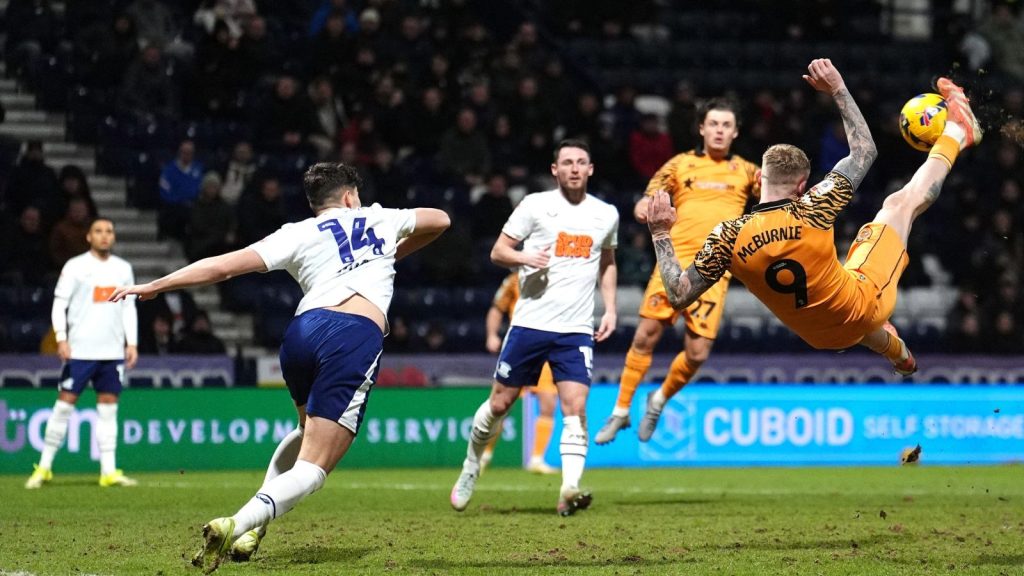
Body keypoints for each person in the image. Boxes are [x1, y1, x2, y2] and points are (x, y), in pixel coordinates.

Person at [109, 163, 449, 572]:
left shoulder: (296, 232)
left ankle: (256, 529)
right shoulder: (380, 217)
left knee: (307, 432)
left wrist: (155, 286)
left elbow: (223, 266)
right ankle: (236, 523)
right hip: (352, 334)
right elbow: (440, 220)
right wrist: (388, 251)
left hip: (302, 332)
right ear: (348, 197)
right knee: (315, 466)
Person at [646, 61, 982, 425]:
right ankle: (958, 132)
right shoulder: (814, 207)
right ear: (803, 185)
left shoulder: (727, 236)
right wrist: (838, 88)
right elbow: (864, 151)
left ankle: (898, 353)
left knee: (844, 286)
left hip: (818, 336)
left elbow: (678, 294)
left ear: (761, 181)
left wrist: (661, 234)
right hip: (860, 305)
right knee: (901, 204)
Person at [450, 139, 619, 517]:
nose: (574, 168)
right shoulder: (534, 206)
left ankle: (569, 489)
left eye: (581, 162)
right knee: (499, 405)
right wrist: (525, 256)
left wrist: (610, 308)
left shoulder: (606, 214)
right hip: (529, 325)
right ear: (555, 170)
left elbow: (607, 262)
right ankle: (471, 466)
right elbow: (498, 251)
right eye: (567, 163)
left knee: (575, 408)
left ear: (590, 169)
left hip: (575, 330)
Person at [595, 98, 760, 445]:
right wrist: (643, 208)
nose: (719, 130)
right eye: (713, 124)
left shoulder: (747, 171)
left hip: (714, 270)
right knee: (645, 336)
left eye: (726, 125)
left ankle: (658, 400)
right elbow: (648, 197)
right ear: (701, 128)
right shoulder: (679, 164)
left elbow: (774, 199)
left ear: (735, 132)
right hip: (673, 263)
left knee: (698, 353)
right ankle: (621, 411)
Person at [25, 218, 139, 489]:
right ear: (88, 237)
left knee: (109, 409)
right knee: (64, 405)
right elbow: (59, 305)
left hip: (111, 352)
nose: (104, 236)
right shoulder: (75, 267)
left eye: (109, 231)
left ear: (113, 237)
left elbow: (128, 308)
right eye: (98, 231)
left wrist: (131, 343)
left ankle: (108, 471)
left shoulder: (123, 269)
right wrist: (61, 338)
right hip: (80, 350)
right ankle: (43, 467)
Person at [479, 272, 558, 476]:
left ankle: (537, 459)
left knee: (548, 402)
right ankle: (484, 454)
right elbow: (497, 309)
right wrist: (491, 335)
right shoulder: (514, 279)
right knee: (500, 405)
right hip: (520, 348)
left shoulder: (558, 275)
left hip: (546, 348)